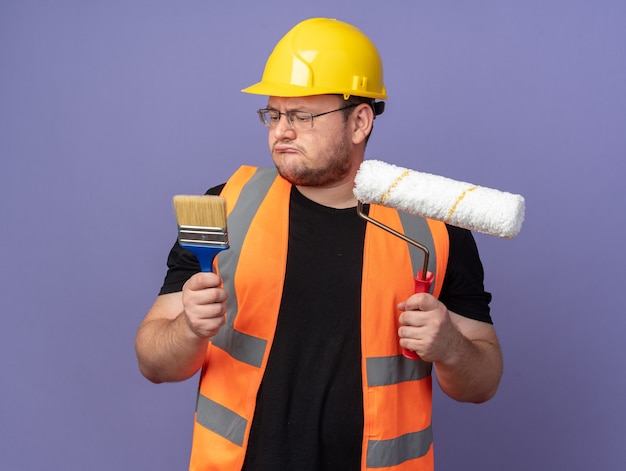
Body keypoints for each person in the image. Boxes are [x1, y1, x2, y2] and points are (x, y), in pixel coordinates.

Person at [135, 17, 503, 471]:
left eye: (302, 116)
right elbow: (153, 361)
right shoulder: (225, 207)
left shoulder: (434, 229)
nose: (281, 131)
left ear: (360, 122)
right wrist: (189, 328)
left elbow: (483, 381)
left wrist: (449, 346)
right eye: (274, 114)